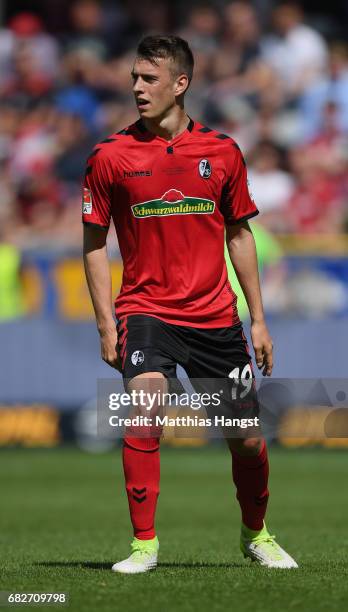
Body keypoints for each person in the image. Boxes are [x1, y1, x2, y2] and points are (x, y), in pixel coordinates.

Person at [82, 35, 298, 573]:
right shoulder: (109, 156)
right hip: (146, 311)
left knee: (247, 440)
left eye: (148, 78)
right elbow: (92, 244)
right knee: (147, 407)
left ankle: (257, 534)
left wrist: (261, 319)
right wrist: (107, 325)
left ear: (181, 84)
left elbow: (240, 236)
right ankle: (144, 546)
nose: (136, 87)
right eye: (134, 77)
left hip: (215, 317)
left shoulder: (223, 151)